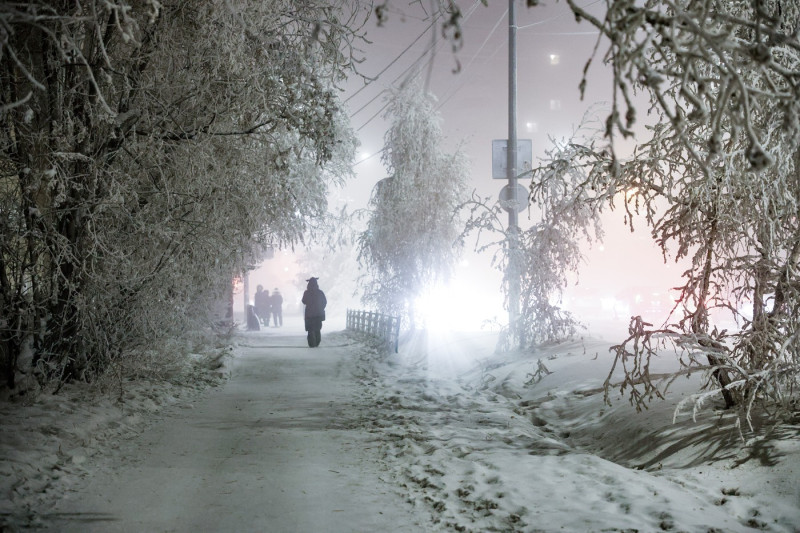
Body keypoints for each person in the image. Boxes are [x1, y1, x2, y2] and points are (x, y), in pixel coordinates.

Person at [301, 277, 326, 347]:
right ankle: (317, 342)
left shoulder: (306, 293)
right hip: (318, 314)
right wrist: (321, 308)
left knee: (310, 329)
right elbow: (324, 302)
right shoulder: (320, 292)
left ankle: (311, 344)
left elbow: (303, 301)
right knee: (317, 329)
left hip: (309, 315)